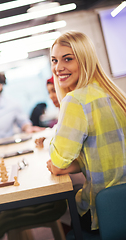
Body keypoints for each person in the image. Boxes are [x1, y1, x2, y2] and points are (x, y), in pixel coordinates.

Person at [46, 31, 126, 232]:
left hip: (104, 211)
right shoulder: (113, 93)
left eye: (67, 59)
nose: (58, 68)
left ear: (85, 59)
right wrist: (75, 165)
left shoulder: (76, 101)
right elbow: (105, 154)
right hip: (120, 203)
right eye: (54, 60)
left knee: (64, 212)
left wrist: (59, 156)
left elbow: (58, 162)